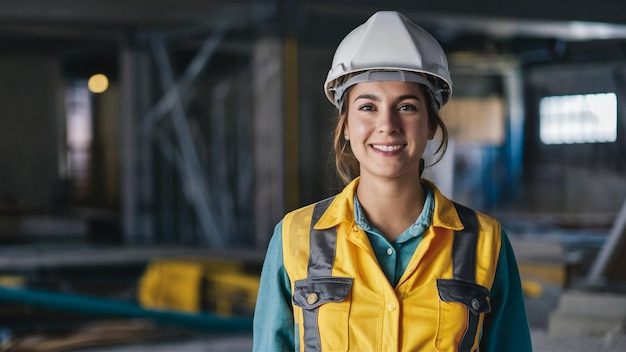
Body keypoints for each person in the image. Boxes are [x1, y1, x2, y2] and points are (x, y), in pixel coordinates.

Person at [253, 10, 532, 352]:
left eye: (407, 107)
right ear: (346, 125)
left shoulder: (486, 243)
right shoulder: (293, 238)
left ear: (431, 124)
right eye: (368, 107)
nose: (387, 125)